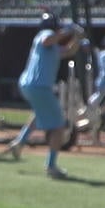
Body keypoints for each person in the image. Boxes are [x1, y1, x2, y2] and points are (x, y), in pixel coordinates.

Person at [10, 12, 83, 179]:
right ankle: (51, 165)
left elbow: (69, 51)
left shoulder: (52, 46)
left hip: (29, 85)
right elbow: (47, 40)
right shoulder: (46, 34)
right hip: (39, 86)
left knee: (40, 113)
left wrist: (77, 37)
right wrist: (69, 31)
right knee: (58, 126)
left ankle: (20, 142)